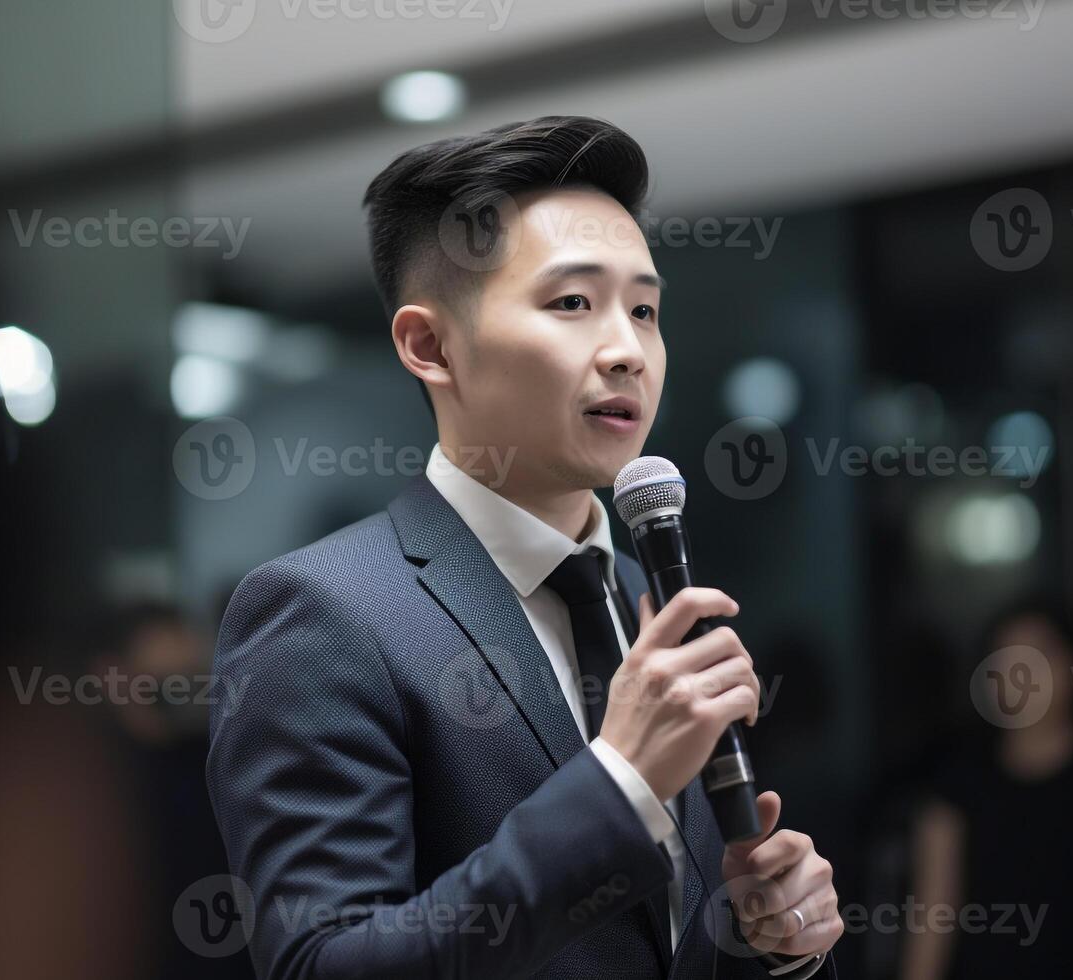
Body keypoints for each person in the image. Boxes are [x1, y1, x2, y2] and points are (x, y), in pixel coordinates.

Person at [205, 116, 841, 979]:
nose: (627, 351)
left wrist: (768, 942)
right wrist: (620, 781)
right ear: (430, 346)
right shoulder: (323, 612)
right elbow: (324, 965)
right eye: (572, 302)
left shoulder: (638, 597)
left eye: (645, 310)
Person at [901, 601, 1073, 980]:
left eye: (1040, 654)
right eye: (1005, 658)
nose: (1021, 672)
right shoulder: (959, 779)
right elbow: (934, 909)